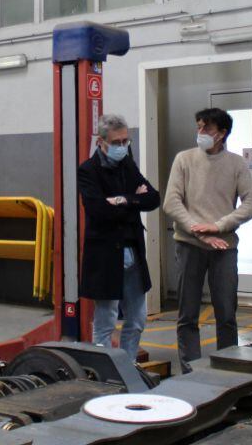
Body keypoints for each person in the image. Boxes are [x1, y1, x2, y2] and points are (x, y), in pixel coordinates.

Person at [163, 107, 252, 373]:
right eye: (198, 127)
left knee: (227, 314)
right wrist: (197, 229)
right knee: (187, 315)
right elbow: (171, 203)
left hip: (224, 247)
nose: (200, 133)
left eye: (206, 128)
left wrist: (218, 226)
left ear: (222, 134)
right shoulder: (184, 160)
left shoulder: (236, 163)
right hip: (189, 245)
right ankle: (190, 372)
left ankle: (227, 369)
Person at [77, 114, 160, 361]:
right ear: (101, 142)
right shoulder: (88, 170)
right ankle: (105, 373)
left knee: (136, 319)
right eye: (116, 142)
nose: (122, 147)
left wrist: (122, 200)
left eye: (126, 141)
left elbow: (152, 198)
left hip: (133, 251)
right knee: (106, 320)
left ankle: (128, 366)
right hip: (105, 254)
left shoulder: (128, 164)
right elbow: (98, 210)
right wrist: (133, 199)